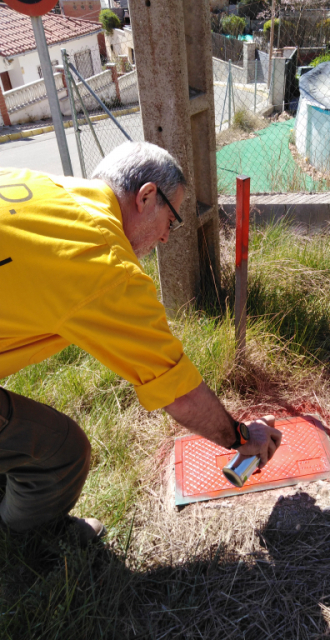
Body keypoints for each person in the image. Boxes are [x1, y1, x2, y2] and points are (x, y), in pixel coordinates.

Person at [0, 141, 282, 544]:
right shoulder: (102, 261)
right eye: (172, 220)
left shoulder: (39, 186)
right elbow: (179, 394)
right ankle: (31, 545)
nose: (167, 238)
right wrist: (241, 438)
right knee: (61, 451)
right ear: (147, 196)